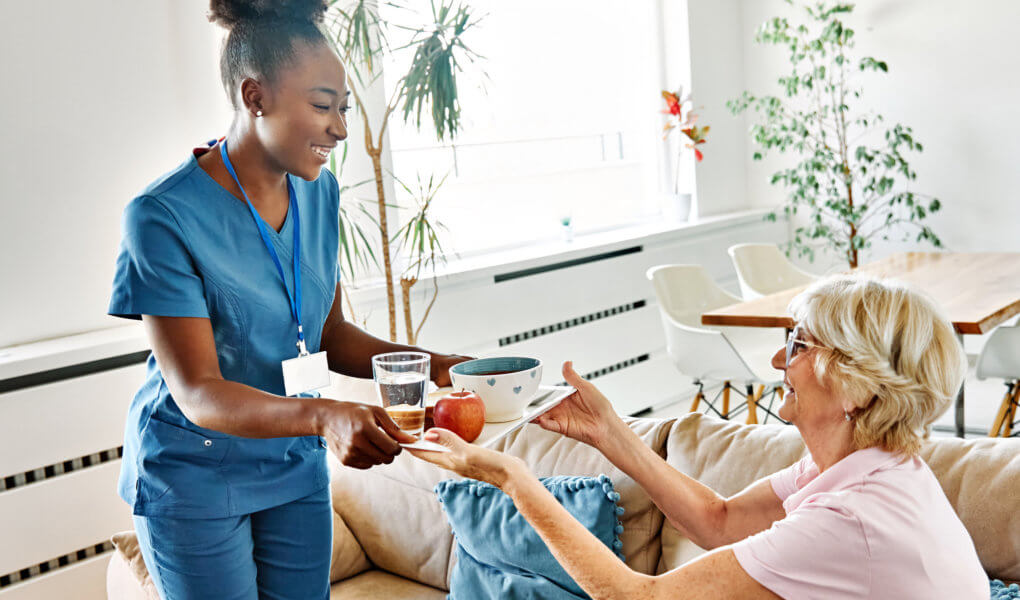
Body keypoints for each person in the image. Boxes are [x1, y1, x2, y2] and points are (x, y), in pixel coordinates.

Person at [108, 1, 469, 597]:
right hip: (194, 476)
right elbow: (199, 392)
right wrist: (325, 416)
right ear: (255, 97)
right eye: (323, 106)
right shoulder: (162, 216)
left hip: (292, 463)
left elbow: (330, 337)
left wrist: (441, 367)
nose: (342, 129)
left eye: (344, 109)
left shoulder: (319, 192)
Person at [411, 275, 988, 598]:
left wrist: (510, 477)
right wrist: (609, 431)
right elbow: (720, 520)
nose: (777, 359)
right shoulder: (866, 465)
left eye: (799, 346)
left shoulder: (847, 522)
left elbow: (635, 599)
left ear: (856, 387)